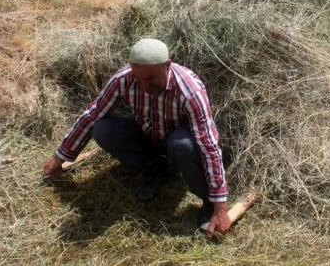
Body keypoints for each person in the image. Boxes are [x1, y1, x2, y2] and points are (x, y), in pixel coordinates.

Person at [42, 38, 230, 239]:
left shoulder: (190, 91)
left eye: (150, 78)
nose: (143, 84)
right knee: (103, 129)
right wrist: (60, 157)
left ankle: (208, 202)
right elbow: (93, 113)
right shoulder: (125, 79)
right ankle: (153, 167)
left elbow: (209, 146)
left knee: (182, 144)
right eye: (138, 78)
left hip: (176, 143)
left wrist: (220, 206)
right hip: (147, 134)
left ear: (167, 66)